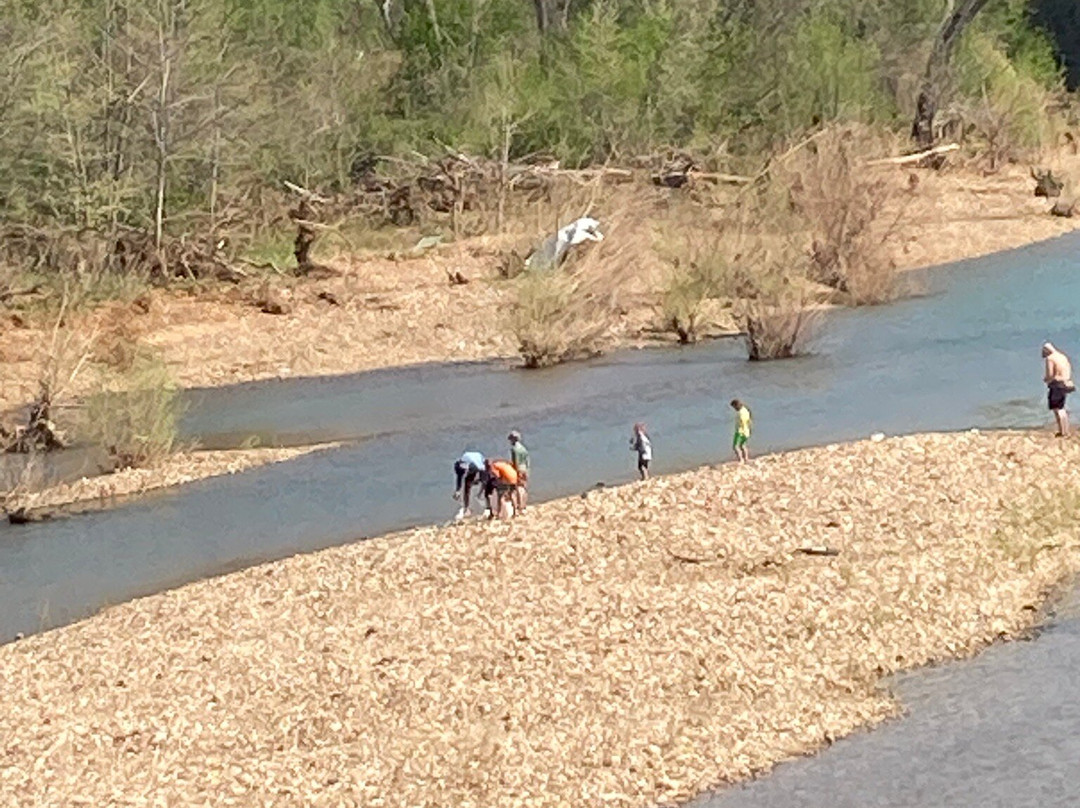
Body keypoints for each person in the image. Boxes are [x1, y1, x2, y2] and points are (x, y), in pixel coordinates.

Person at [1043, 342, 1074, 437]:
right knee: (1062, 407)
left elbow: (1050, 373)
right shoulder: (1062, 356)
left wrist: (1046, 380)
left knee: (1057, 408)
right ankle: (1066, 430)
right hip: (1066, 382)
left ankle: (1062, 431)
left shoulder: (1050, 358)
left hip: (1057, 383)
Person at [452, 451, 485, 520]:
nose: (465, 472)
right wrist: (457, 490)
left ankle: (471, 506)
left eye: (466, 470)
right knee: (467, 487)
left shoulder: (477, 465)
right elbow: (459, 478)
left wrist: (479, 480)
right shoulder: (459, 466)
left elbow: (482, 471)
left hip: (477, 464)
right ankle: (467, 507)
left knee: (469, 485)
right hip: (469, 462)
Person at [508, 430, 530, 513]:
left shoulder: (514, 449)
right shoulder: (523, 448)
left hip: (519, 469)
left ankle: (519, 507)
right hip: (525, 469)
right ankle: (524, 506)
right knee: (524, 488)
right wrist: (527, 469)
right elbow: (527, 460)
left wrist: (515, 472)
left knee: (518, 488)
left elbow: (515, 462)